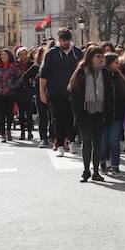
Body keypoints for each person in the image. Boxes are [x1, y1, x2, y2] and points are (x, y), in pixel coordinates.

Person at [68, 46, 110, 182]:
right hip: (84, 113)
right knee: (87, 143)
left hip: (99, 113)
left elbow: (110, 94)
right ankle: (86, 170)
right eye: (97, 57)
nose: (100, 59)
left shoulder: (105, 73)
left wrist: (108, 111)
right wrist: (78, 112)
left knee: (97, 144)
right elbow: (73, 94)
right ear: (90, 58)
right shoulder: (80, 73)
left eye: (101, 57)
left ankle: (96, 171)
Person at [40, 28, 83, 157]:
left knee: (72, 117)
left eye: (67, 40)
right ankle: (59, 144)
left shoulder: (77, 52)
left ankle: (71, 140)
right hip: (55, 92)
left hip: (73, 92)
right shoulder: (51, 54)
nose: (65, 43)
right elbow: (44, 74)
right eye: (63, 40)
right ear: (59, 40)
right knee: (58, 118)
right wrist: (42, 91)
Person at [100, 52, 125, 175]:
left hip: (117, 116)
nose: (118, 65)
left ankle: (115, 166)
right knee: (103, 143)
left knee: (114, 142)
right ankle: (102, 162)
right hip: (103, 115)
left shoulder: (120, 78)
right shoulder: (101, 76)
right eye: (116, 63)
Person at [0, 48, 22, 143]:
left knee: (10, 114)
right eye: (2, 55)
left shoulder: (14, 66)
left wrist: (13, 86)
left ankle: (9, 131)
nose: (3, 56)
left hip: (10, 93)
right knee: (1, 114)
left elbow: (20, 78)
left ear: (9, 56)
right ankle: (2, 133)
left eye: (5, 55)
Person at [25, 46, 50, 147]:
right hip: (40, 94)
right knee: (43, 117)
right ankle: (43, 138)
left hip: (52, 93)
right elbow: (25, 77)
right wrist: (32, 88)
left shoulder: (52, 66)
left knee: (53, 117)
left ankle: (53, 136)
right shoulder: (36, 67)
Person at [14, 47, 35, 141]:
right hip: (18, 90)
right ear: (18, 55)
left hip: (29, 90)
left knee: (29, 112)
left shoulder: (31, 63)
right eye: (21, 54)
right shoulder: (15, 64)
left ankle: (30, 132)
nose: (23, 56)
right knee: (21, 113)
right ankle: (22, 132)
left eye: (25, 54)